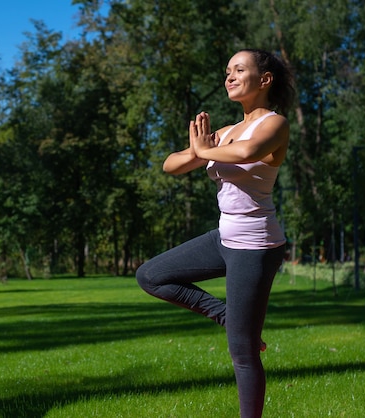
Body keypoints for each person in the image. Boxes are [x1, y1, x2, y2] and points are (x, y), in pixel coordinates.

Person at [136, 49, 296, 418]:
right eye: (227, 71)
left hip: (255, 245)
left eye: (239, 70)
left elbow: (248, 152)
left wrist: (208, 150)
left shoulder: (274, 124)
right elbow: (171, 165)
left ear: (265, 79)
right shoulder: (223, 133)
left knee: (242, 352)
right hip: (223, 237)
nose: (230, 76)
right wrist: (199, 150)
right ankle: (227, 315)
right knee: (151, 275)